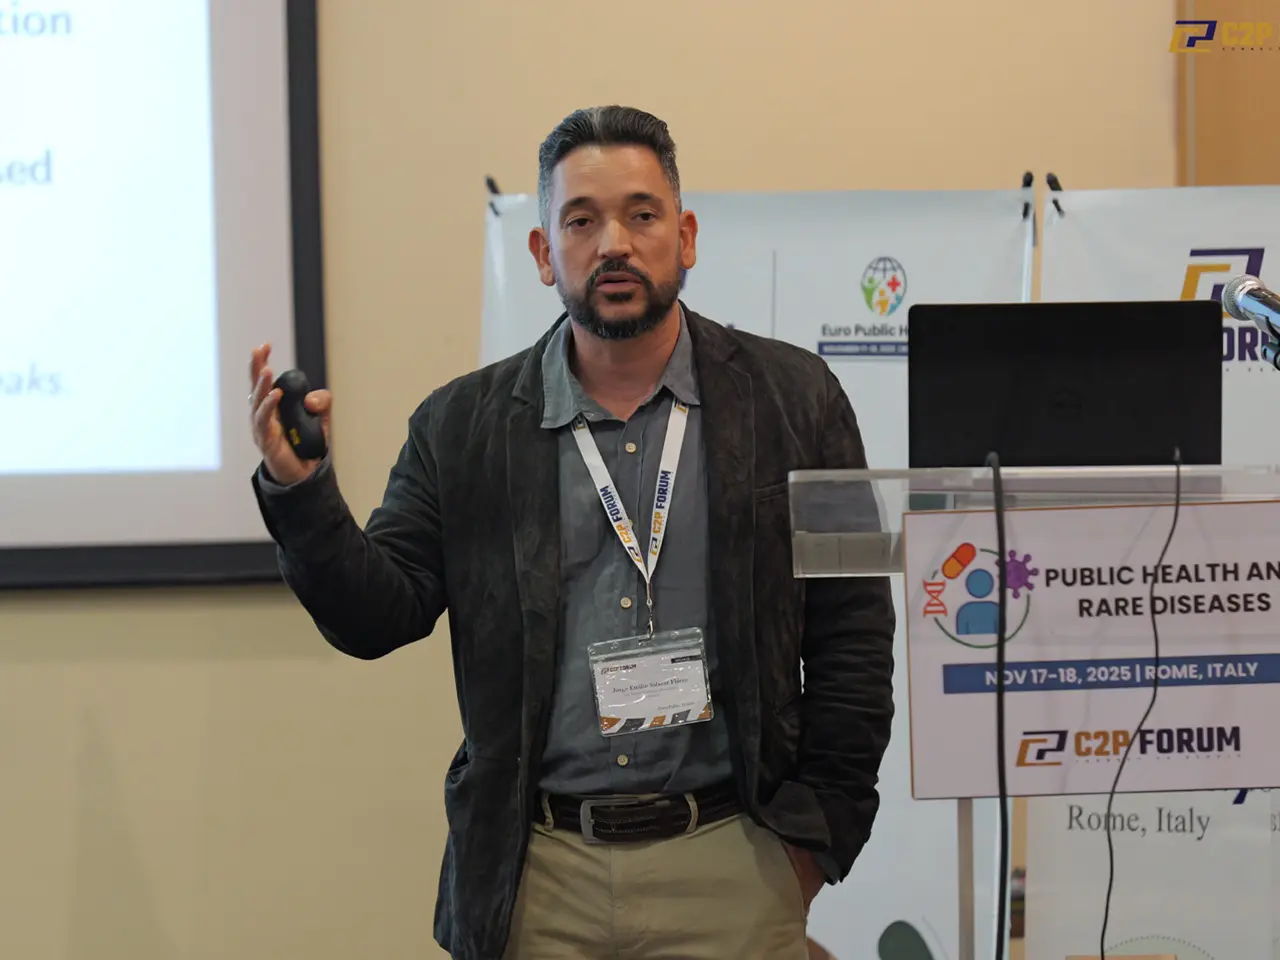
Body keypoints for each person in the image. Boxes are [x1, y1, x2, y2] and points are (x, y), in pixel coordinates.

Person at [248, 104, 895, 960]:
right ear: (544, 252)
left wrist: (813, 843)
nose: (613, 244)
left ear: (685, 237)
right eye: (582, 221)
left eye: (641, 214)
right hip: (539, 881)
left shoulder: (800, 400)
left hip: (733, 865)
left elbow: (855, 630)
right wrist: (301, 494)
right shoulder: (460, 427)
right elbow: (377, 615)